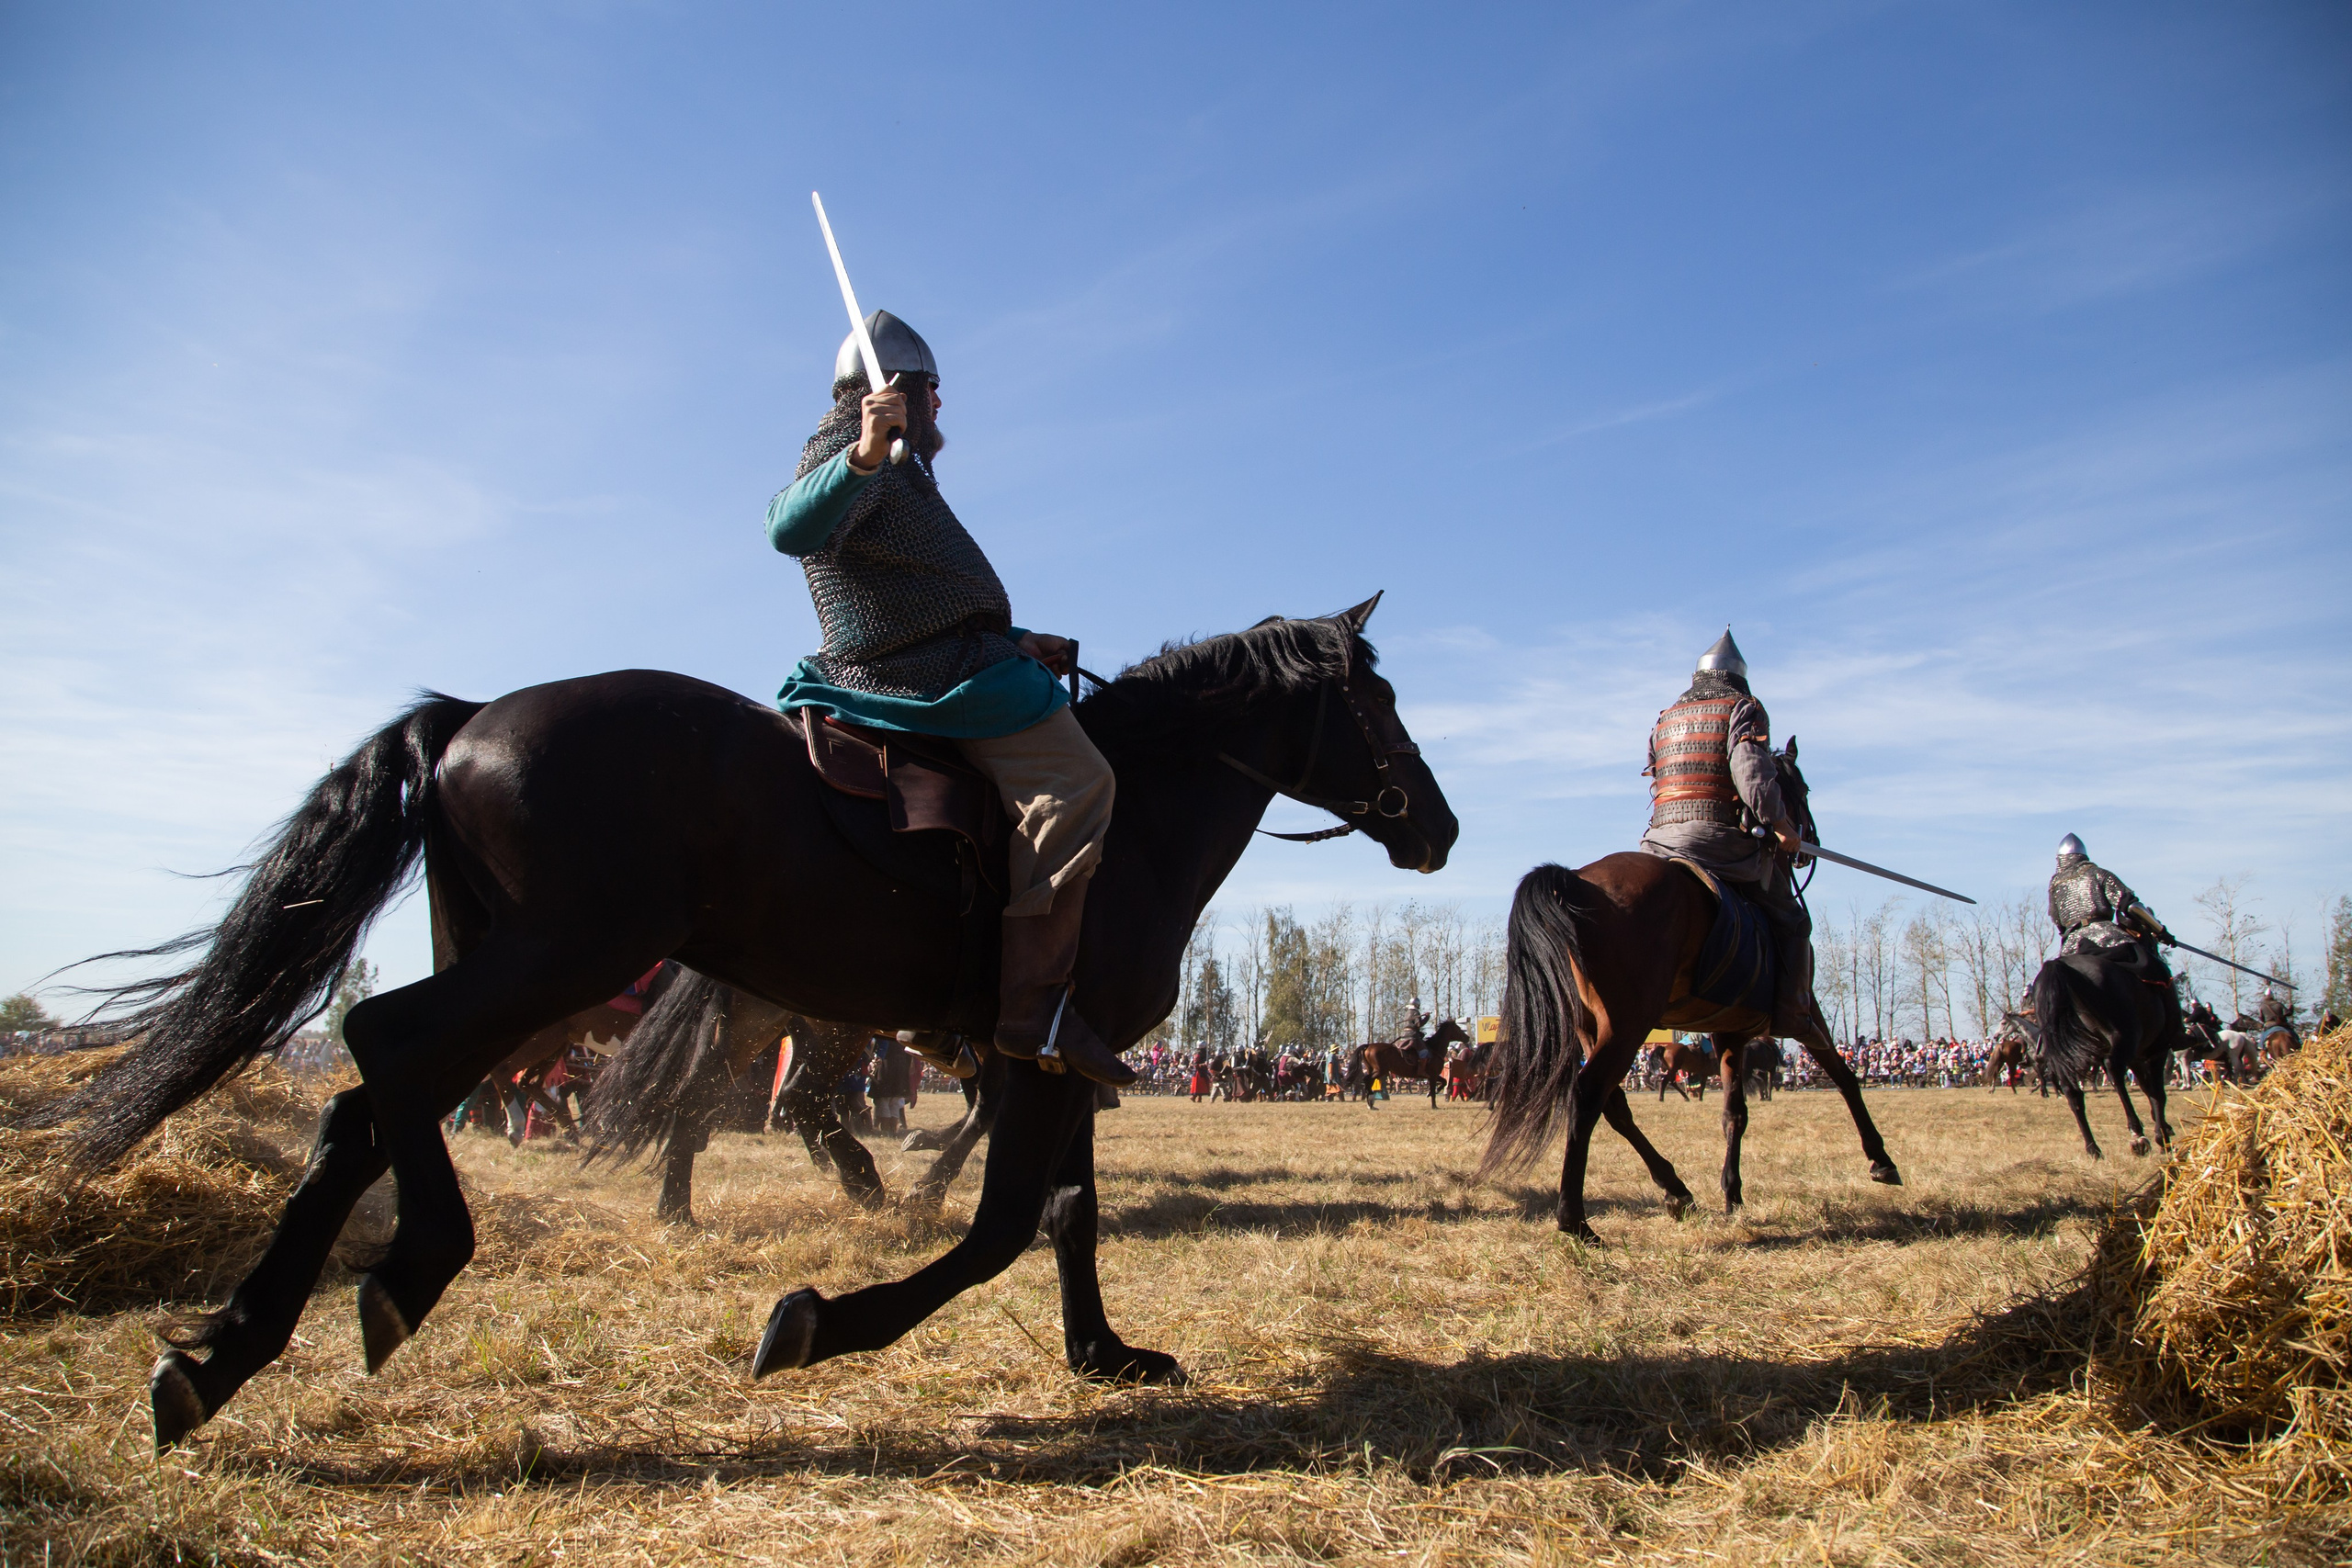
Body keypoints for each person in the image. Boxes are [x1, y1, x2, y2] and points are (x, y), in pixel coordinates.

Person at [765, 310, 1129, 1086]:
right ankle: (1034, 1007)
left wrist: (1017, 637)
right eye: (933, 391)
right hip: (923, 676)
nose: (940, 409)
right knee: (1081, 780)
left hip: (954, 657)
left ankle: (935, 1009)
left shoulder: (905, 471)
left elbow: (925, 593)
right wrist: (862, 454)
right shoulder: (852, 445)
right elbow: (787, 529)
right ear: (895, 388)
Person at [1637, 629, 1814, 1038]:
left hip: (1657, 844)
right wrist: (1782, 826)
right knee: (1792, 920)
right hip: (1718, 844)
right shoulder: (1743, 709)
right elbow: (1751, 773)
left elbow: (1655, 773)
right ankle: (1791, 1015)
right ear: (1738, 678)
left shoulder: (1666, 717)